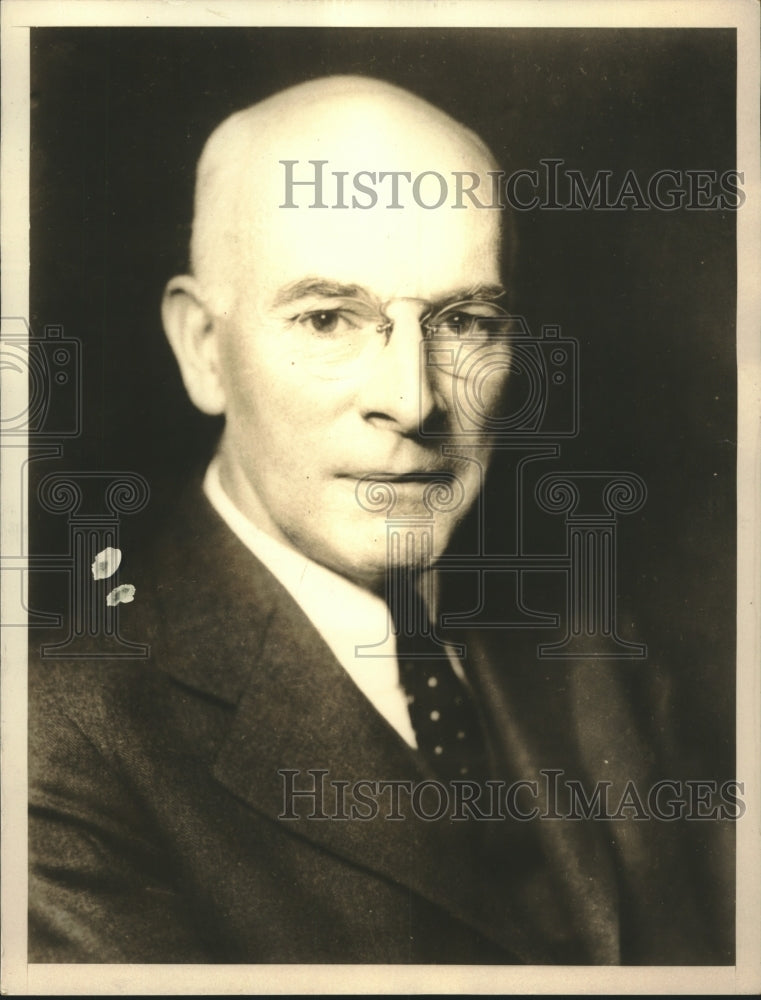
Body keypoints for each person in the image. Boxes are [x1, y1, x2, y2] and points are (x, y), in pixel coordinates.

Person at [28, 75, 732, 965]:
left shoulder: (598, 658)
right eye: (328, 319)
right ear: (204, 350)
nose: (413, 399)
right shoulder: (59, 735)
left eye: (465, 321)